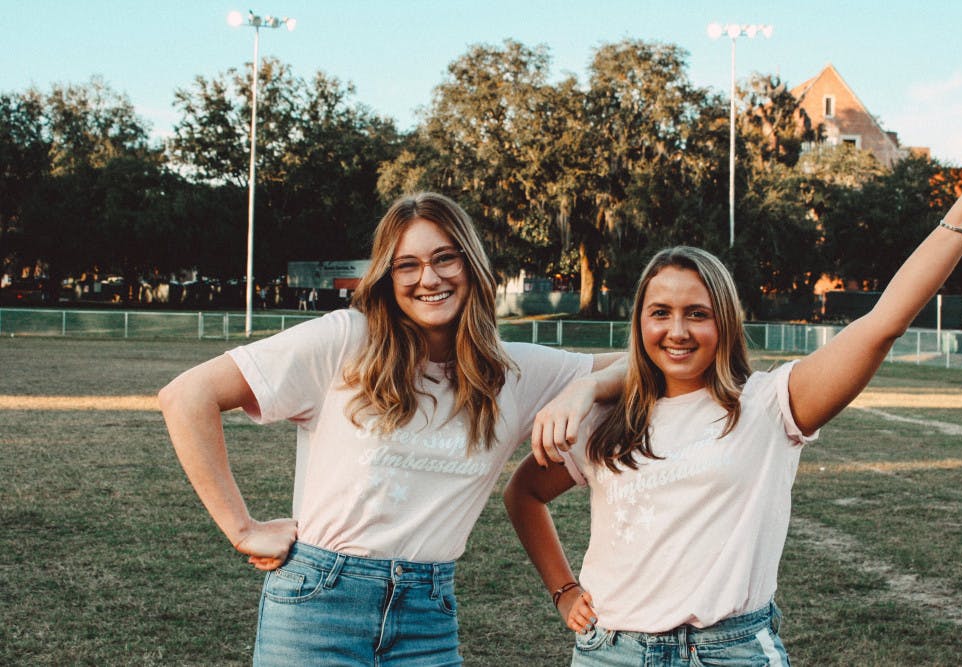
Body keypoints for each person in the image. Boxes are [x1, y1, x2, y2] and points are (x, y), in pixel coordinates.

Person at [503, 118, 962, 665]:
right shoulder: (605, 419)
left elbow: (882, 323)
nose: (678, 331)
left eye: (698, 314)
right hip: (611, 651)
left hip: (730, 651)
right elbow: (523, 494)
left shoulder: (770, 405)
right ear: (639, 323)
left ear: (726, 324)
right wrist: (564, 589)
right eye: (660, 313)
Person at [158, 191, 623, 666]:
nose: (429, 278)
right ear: (387, 276)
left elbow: (646, 366)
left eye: (445, 258)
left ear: (472, 266)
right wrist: (242, 528)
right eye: (408, 265)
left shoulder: (513, 373)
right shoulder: (345, 340)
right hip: (318, 607)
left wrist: (583, 389)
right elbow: (187, 396)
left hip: (428, 616)